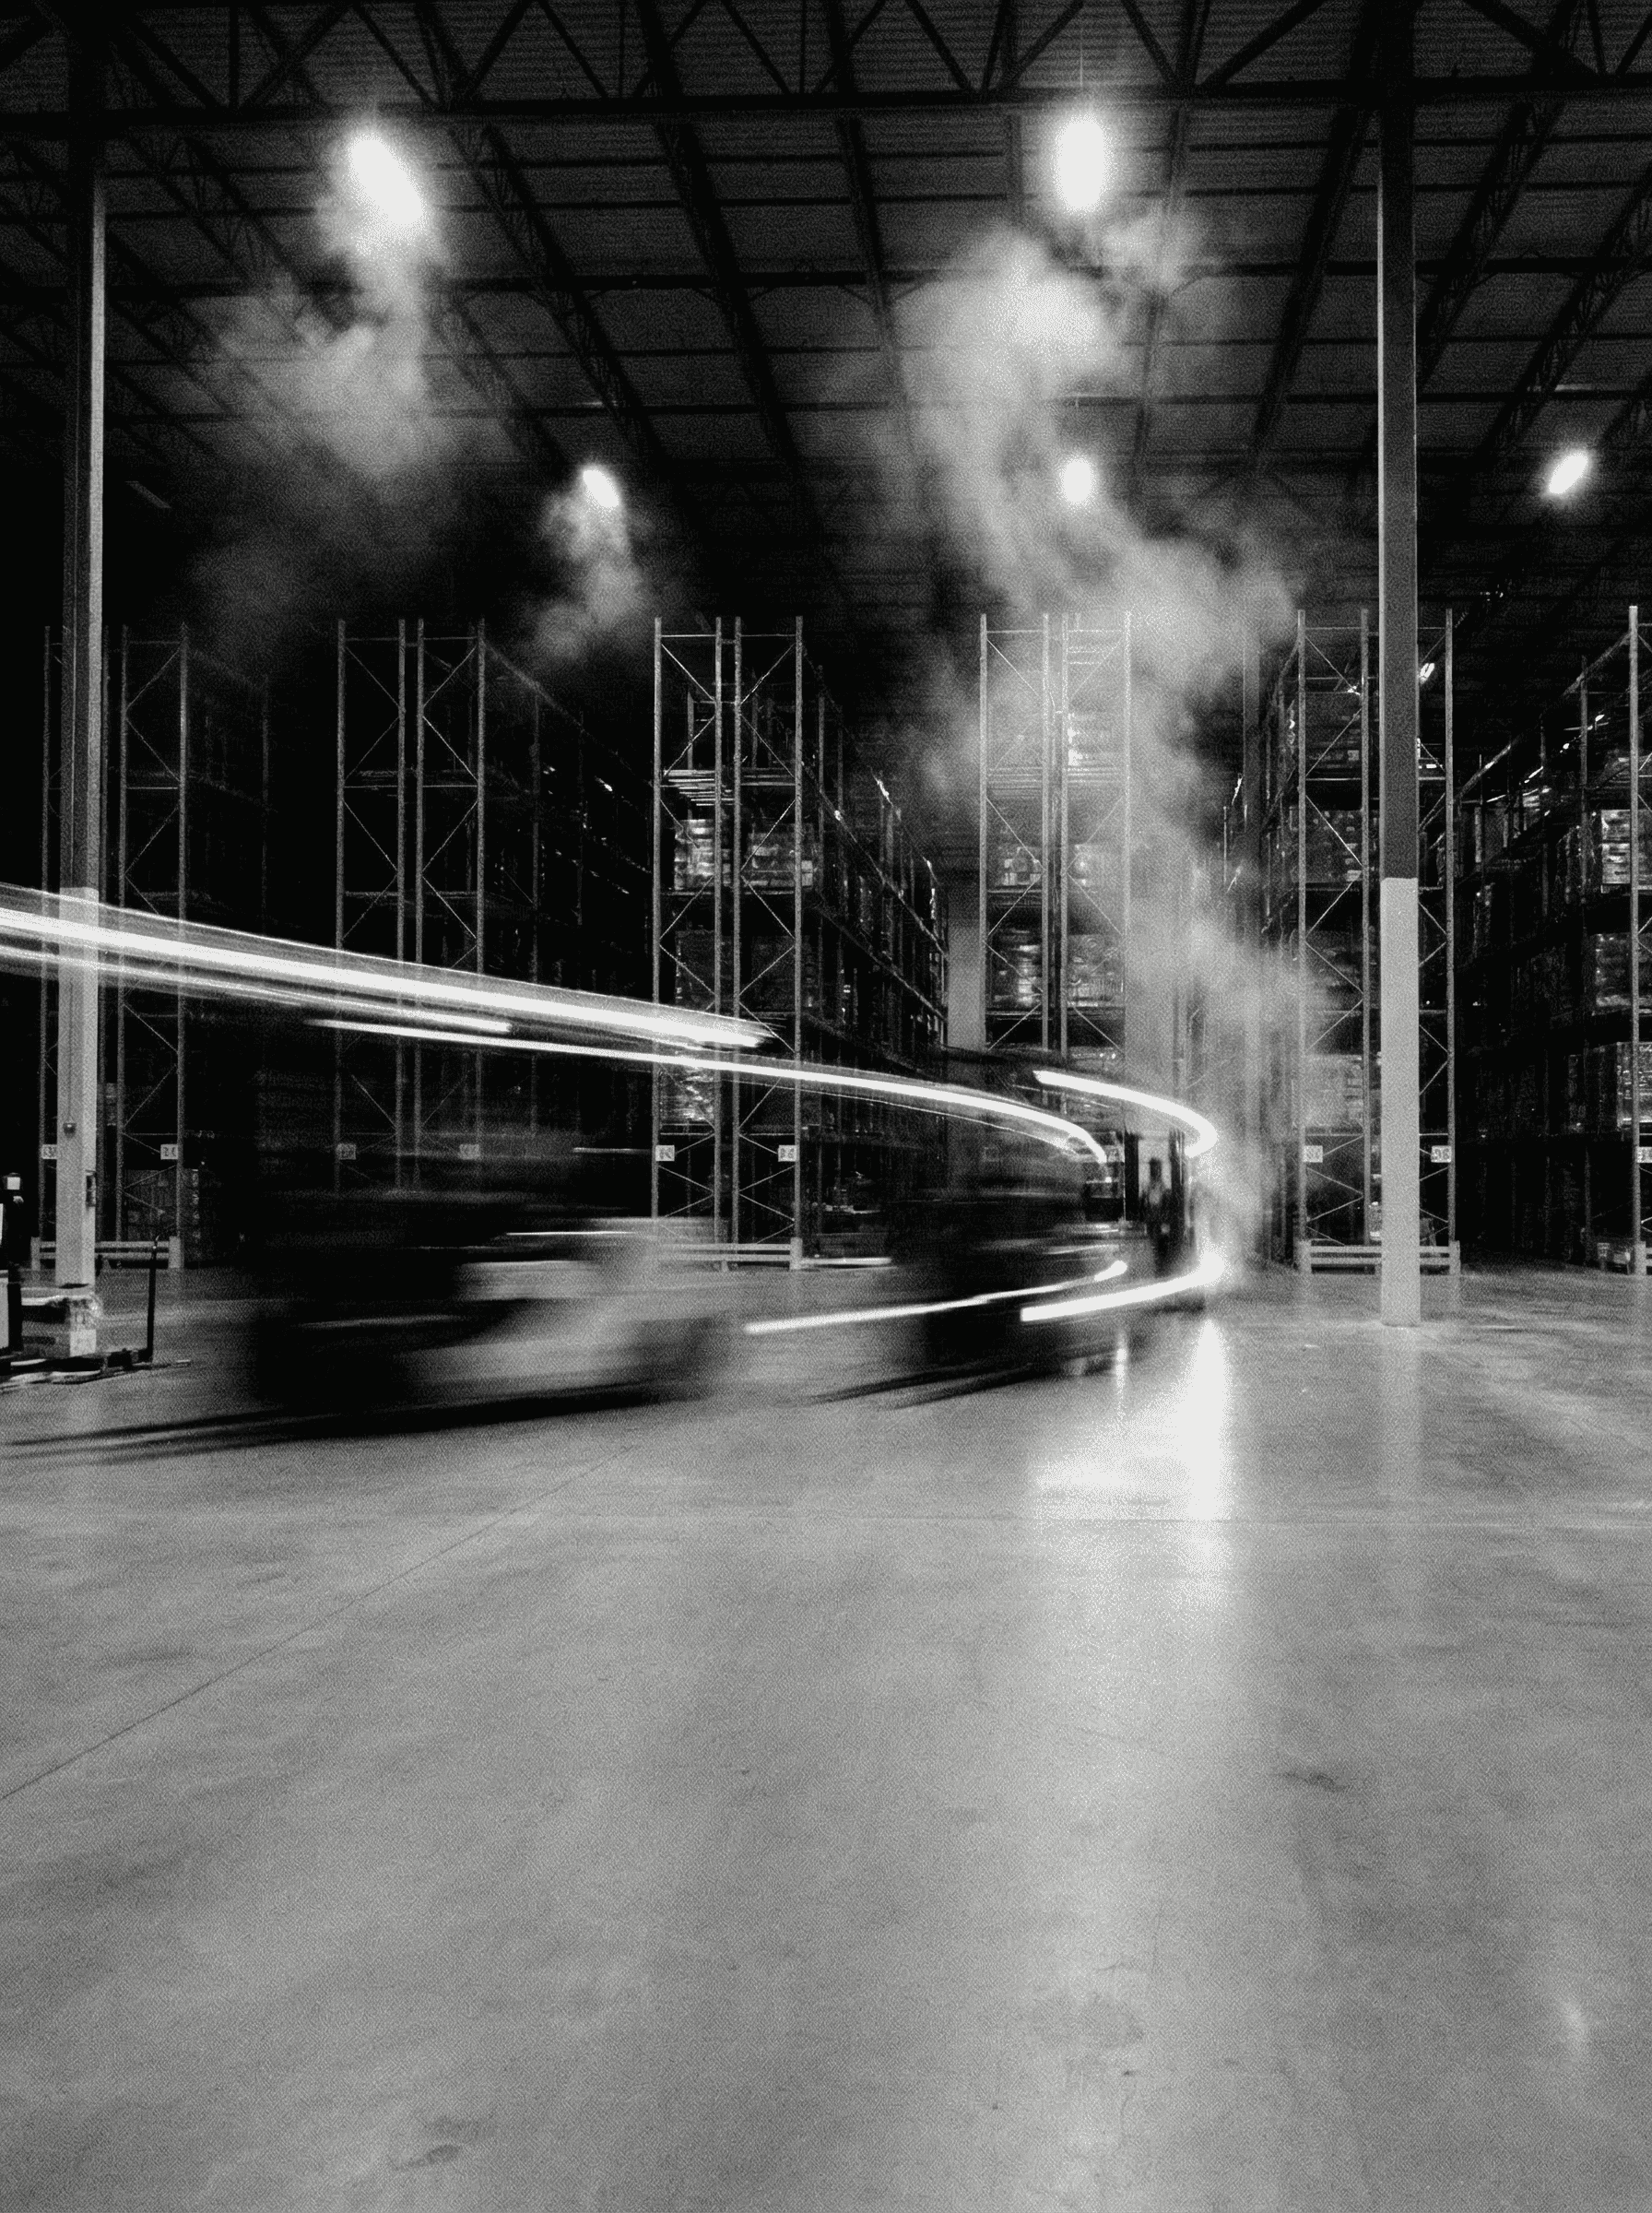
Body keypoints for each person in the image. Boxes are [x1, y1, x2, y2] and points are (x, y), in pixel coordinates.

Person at [1142, 1155, 1174, 1273]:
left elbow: (1165, 1200)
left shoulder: (1163, 1184)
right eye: (1153, 1168)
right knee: (1155, 1240)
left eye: (1157, 1168)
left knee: (1162, 1239)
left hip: (1160, 1216)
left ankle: (1162, 1263)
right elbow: (1146, 1201)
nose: (1155, 1170)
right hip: (1153, 1216)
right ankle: (1160, 1263)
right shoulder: (1149, 1184)